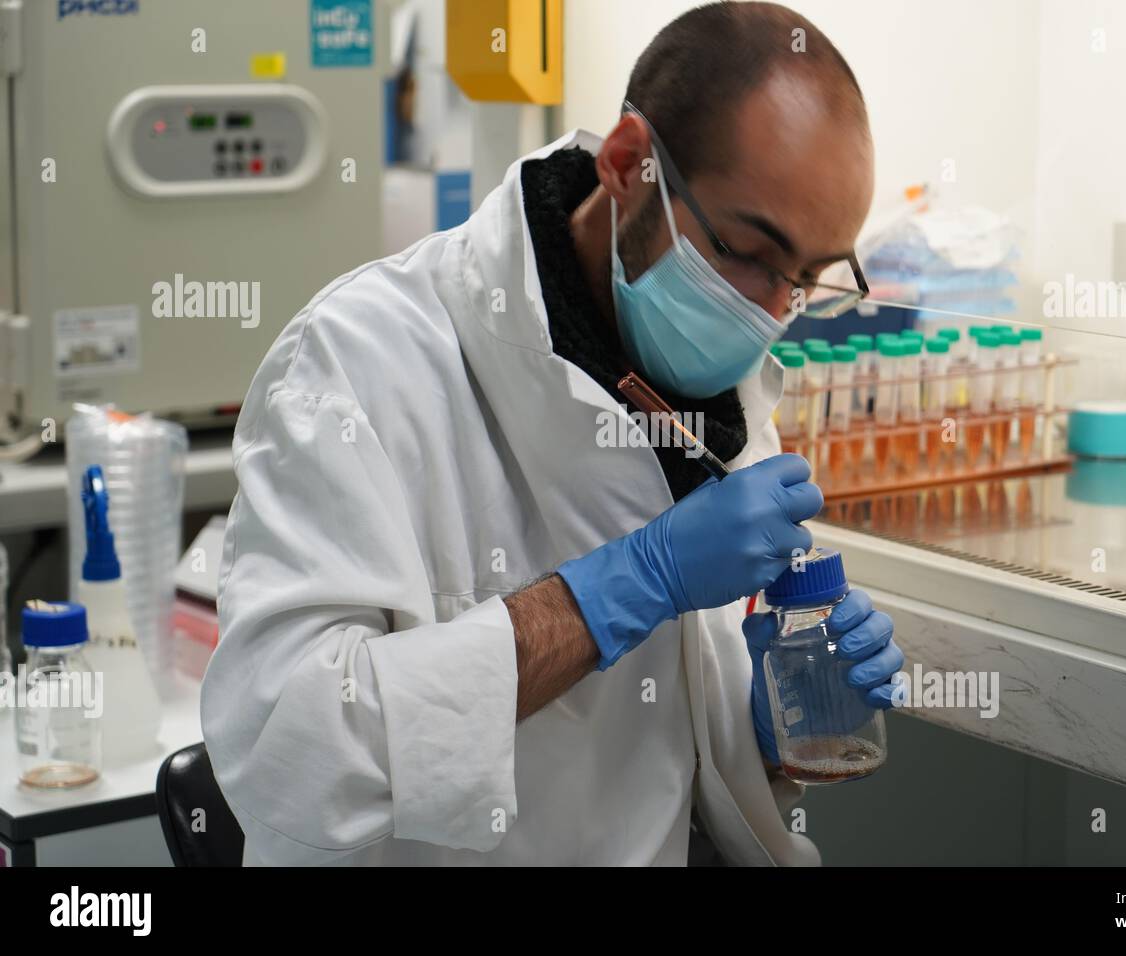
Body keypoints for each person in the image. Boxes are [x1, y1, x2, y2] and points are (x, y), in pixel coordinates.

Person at [201, 0, 901, 866]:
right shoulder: (361, 360)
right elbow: (291, 757)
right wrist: (625, 585)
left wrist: (763, 724)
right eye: (750, 252)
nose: (768, 315)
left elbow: (646, 753)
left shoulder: (719, 391)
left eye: (808, 279)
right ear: (629, 163)